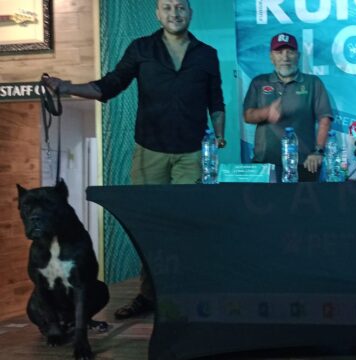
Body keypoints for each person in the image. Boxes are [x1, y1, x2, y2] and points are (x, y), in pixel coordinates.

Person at [43, 0, 226, 319]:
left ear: (190, 12)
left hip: (193, 154)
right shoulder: (141, 48)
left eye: (180, 7)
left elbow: (216, 100)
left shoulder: (206, 54)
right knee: (148, 227)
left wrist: (220, 136)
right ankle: (149, 295)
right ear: (157, 13)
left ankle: (185, 295)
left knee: (188, 226)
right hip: (149, 152)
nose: (174, 13)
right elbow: (109, 86)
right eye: (167, 7)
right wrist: (66, 86)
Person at [243, 33, 333, 181]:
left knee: (303, 205)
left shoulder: (312, 82)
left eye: (289, 52)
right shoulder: (259, 82)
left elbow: (325, 119)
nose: (285, 57)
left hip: (304, 164)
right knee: (265, 204)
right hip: (265, 164)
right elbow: (248, 115)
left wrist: (318, 151)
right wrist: (267, 112)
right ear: (271, 57)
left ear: (297, 56)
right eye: (279, 52)